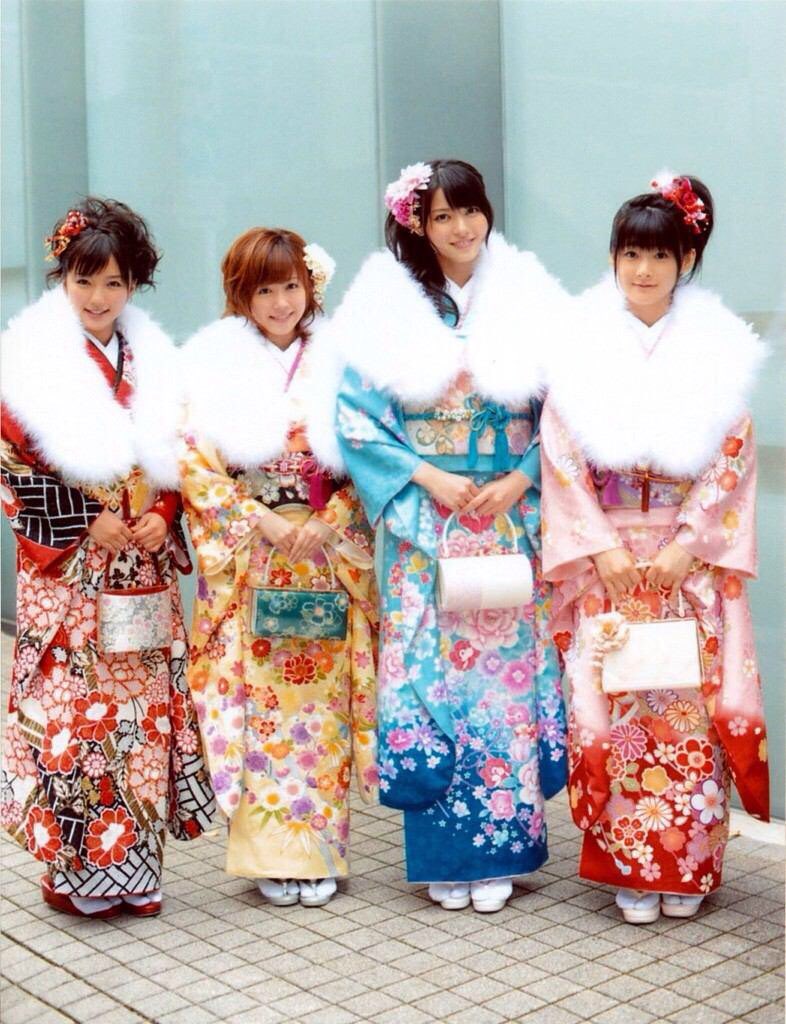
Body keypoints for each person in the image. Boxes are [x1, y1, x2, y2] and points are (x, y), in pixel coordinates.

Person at [332, 160, 568, 913]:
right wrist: (427, 477)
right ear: (418, 226)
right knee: (429, 677)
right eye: (442, 216)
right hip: (427, 520)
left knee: (503, 686)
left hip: (506, 515)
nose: (462, 228)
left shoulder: (528, 297)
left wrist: (523, 477)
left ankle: (502, 850)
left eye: (470, 210)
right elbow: (355, 419)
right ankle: (443, 855)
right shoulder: (390, 309)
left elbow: (569, 409)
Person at [541, 172, 769, 923]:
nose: (643, 269)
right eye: (630, 254)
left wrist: (687, 545)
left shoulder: (716, 351)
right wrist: (600, 548)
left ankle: (688, 865)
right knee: (617, 709)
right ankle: (630, 869)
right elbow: (560, 456)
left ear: (685, 261)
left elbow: (732, 457)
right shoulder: (580, 347)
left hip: (684, 565)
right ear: (613, 259)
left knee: (686, 712)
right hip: (607, 563)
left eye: (659, 256)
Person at [0, 198, 214, 918]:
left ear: (134, 285)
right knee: (77, 719)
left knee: (141, 718)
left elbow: (183, 455)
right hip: (69, 574)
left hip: (140, 570)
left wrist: (164, 513)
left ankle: (137, 869)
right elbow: (9, 464)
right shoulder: (27, 360)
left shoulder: (156, 361)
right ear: (62, 279)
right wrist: (86, 518)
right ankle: (77, 872)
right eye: (84, 280)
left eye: (114, 283)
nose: (98, 297)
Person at [179, 227, 378, 908]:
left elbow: (371, 451)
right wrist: (255, 518)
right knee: (257, 708)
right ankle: (267, 854)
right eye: (264, 289)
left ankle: (319, 853)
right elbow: (195, 465)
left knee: (320, 711)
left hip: (323, 556)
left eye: (291, 286)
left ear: (310, 287)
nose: (280, 302)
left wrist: (333, 517)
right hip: (254, 556)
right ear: (241, 295)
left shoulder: (342, 363)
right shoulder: (212, 364)